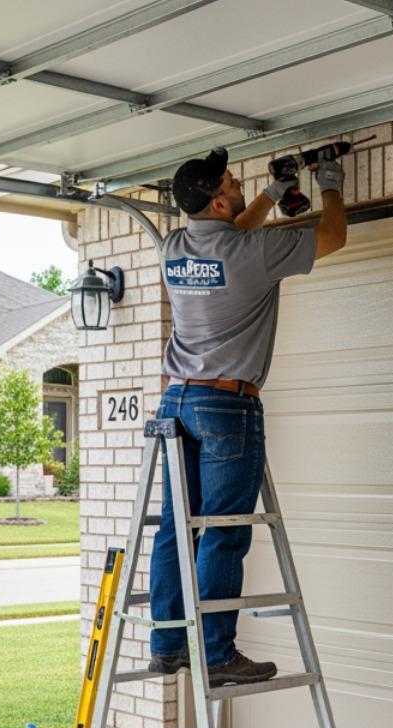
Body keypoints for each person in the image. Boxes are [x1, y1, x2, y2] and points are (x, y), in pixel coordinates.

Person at [146, 146, 347, 683]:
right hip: (226, 406)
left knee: (176, 526)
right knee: (224, 531)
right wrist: (330, 184)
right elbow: (332, 237)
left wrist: (273, 193)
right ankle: (215, 655)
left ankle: (167, 644)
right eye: (232, 183)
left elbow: (230, 236)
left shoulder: (173, 247)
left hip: (177, 403)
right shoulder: (253, 254)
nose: (238, 185)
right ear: (216, 201)